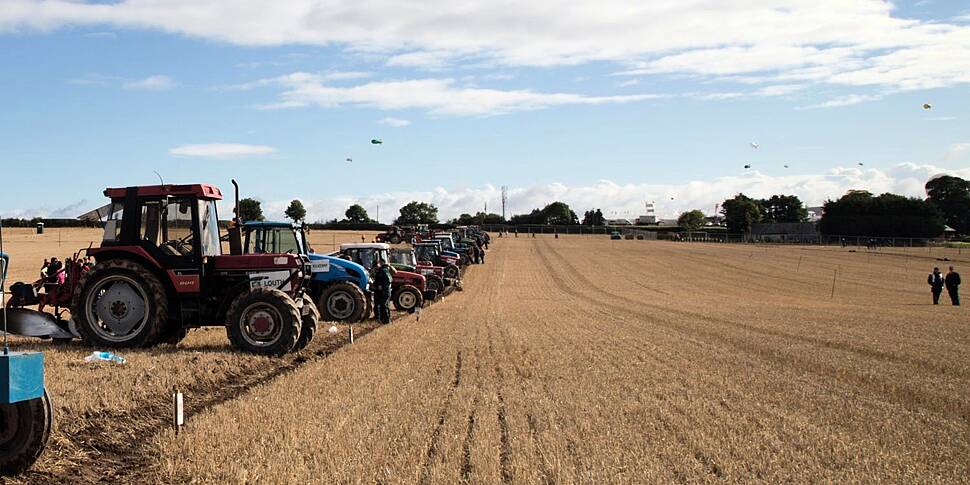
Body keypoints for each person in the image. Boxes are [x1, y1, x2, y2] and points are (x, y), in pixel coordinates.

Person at [372, 259, 395, 324]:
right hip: (382, 291)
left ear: (380, 263)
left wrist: (382, 286)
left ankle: (387, 321)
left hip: (384, 291)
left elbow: (389, 279)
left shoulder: (383, 270)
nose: (376, 266)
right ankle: (382, 319)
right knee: (383, 305)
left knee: (384, 305)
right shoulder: (381, 270)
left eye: (377, 264)